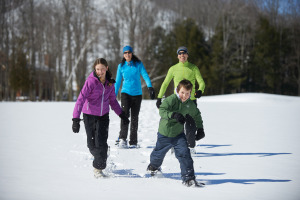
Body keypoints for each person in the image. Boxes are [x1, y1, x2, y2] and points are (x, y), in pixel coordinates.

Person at [72, 58, 129, 178]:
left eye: (102, 69)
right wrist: (75, 119)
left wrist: (121, 114)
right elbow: (81, 99)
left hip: (103, 116)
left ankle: (98, 169)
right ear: (95, 69)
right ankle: (102, 155)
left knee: (101, 144)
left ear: (107, 68)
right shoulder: (91, 82)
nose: (100, 72)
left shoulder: (110, 83)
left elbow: (112, 101)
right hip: (89, 116)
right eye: (97, 69)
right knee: (92, 145)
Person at [147, 79, 205, 187]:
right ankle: (153, 167)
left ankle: (189, 178)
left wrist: (200, 128)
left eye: (187, 93)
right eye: (182, 92)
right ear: (178, 91)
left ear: (190, 93)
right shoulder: (172, 99)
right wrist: (173, 115)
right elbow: (162, 110)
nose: (184, 95)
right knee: (158, 154)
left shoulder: (189, 104)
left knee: (185, 154)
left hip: (178, 135)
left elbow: (197, 114)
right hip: (164, 133)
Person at [156, 46, 205, 152]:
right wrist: (159, 97)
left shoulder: (193, 68)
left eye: (184, 53)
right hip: (177, 101)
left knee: (190, 124)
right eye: (180, 53)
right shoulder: (173, 69)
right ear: (178, 56)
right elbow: (165, 83)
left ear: (187, 55)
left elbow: (201, 82)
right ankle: (175, 145)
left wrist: (200, 90)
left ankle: (190, 147)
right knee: (176, 123)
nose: (182, 55)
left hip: (190, 100)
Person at [115, 45, 155, 148]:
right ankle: (123, 139)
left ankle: (133, 141)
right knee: (124, 115)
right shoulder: (121, 66)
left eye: (129, 52)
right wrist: (113, 96)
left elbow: (145, 75)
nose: (127, 54)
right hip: (125, 94)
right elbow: (118, 82)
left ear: (132, 54)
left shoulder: (138, 64)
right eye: (125, 53)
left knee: (134, 118)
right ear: (123, 55)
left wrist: (150, 87)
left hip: (137, 94)